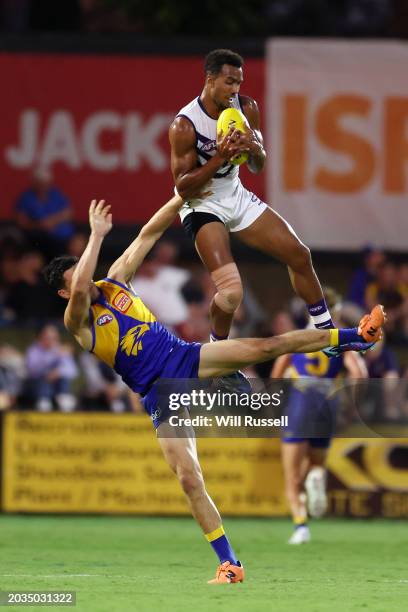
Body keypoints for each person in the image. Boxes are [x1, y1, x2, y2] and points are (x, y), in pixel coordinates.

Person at [43, 196, 384, 584]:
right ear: (65, 294)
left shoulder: (116, 280)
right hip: (158, 392)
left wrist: (182, 193)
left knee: (265, 347)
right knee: (189, 479)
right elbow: (84, 292)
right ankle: (229, 564)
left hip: (184, 357)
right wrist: (97, 236)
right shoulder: (77, 320)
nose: (85, 277)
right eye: (76, 278)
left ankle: (355, 335)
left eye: (83, 270)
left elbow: (150, 232)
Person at [169, 49, 364, 360]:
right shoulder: (185, 124)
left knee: (299, 255)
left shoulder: (246, 107)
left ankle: (326, 335)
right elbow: (182, 186)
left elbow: (258, 165)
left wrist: (252, 149)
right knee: (231, 294)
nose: (235, 89)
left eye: (239, 82)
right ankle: (216, 353)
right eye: (229, 82)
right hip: (201, 204)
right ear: (210, 79)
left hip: (235, 195)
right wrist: (220, 156)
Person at [271, 289, 368, 545]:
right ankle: (315, 477)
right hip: (328, 401)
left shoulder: (296, 337)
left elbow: (276, 376)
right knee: (315, 463)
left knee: (291, 475)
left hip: (301, 400)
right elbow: (358, 373)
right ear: (336, 311)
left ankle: (300, 526)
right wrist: (351, 403)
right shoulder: (340, 339)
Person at [15, 165, 75, 257]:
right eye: (41, 183)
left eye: (46, 183)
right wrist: (40, 225)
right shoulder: (26, 198)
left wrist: (52, 221)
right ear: (34, 182)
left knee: (78, 242)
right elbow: (22, 222)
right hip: (43, 238)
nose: (43, 186)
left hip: (65, 236)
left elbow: (69, 212)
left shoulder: (55, 193)